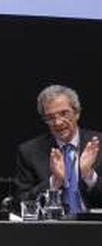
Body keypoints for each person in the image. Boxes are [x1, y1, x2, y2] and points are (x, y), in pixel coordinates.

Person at [15, 84, 102, 214]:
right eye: (50, 118)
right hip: (51, 229)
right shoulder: (29, 152)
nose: (58, 122)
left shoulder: (98, 144)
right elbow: (19, 203)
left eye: (64, 113)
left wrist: (89, 175)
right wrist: (54, 181)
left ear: (77, 113)